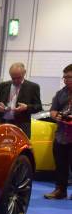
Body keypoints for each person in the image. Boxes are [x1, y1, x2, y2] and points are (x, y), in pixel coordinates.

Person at [0, 63, 42, 138]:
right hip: (1, 123)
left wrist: (26, 107)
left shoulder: (33, 87)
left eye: (19, 78)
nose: (16, 80)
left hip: (21, 126)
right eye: (13, 78)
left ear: (24, 73)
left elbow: (38, 107)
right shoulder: (3, 85)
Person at [44, 64, 72, 200]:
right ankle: (60, 191)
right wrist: (57, 116)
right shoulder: (61, 93)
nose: (66, 80)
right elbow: (53, 110)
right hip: (61, 135)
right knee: (60, 165)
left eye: (69, 77)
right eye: (64, 77)